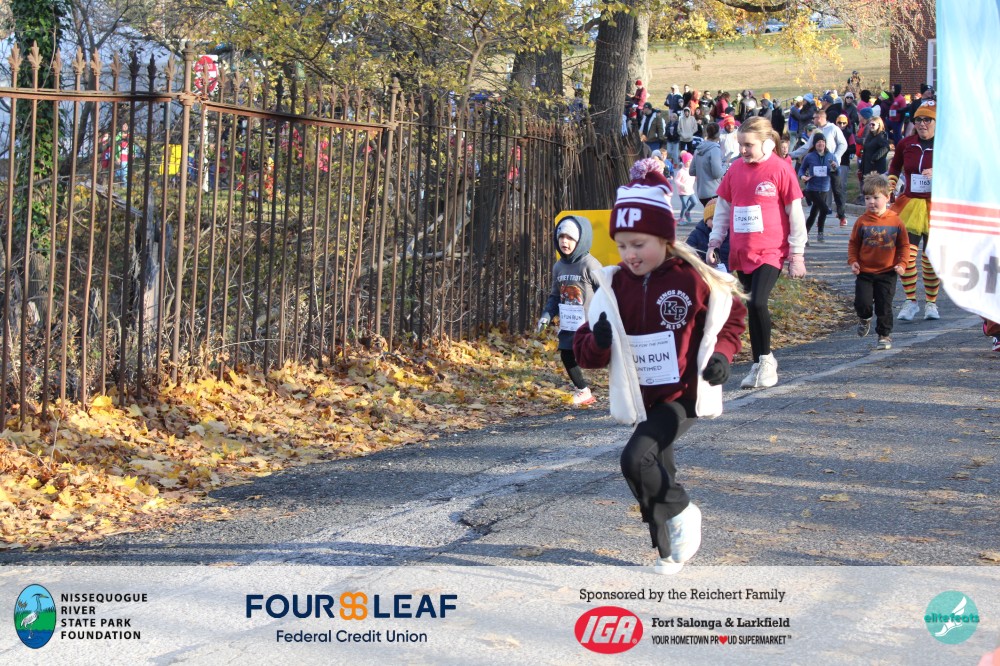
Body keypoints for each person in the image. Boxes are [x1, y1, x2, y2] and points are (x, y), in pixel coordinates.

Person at [573, 158, 747, 574]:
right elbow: (585, 352)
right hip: (643, 398)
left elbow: (732, 315)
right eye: (622, 246)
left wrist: (722, 356)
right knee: (655, 470)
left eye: (639, 244)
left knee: (636, 459)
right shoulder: (613, 286)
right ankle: (669, 550)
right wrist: (598, 342)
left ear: (665, 239)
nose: (630, 255)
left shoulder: (692, 278)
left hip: (683, 394)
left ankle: (683, 511)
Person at [707, 116, 808, 389]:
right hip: (742, 251)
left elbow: (795, 214)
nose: (743, 150)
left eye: (748, 145)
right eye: (740, 144)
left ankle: (766, 362)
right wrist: (715, 242)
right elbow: (723, 209)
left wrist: (797, 254)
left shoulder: (781, 169)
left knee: (758, 302)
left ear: (766, 144)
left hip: (771, 251)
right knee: (752, 306)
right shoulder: (735, 169)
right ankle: (759, 362)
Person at [538, 216, 604, 406]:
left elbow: (606, 291)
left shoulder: (590, 264)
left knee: (601, 354)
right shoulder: (558, 266)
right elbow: (555, 296)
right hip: (569, 322)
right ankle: (583, 390)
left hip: (590, 323)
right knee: (567, 354)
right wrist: (546, 316)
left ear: (580, 240)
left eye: (569, 238)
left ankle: (627, 384)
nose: (564, 242)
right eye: (561, 237)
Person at [889, 100, 940, 322]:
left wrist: (939, 172)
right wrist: (890, 184)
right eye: (918, 119)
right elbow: (895, 167)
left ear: (937, 122)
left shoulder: (947, 145)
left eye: (927, 119)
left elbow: (960, 172)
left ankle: (931, 303)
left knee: (931, 259)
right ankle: (911, 301)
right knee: (906, 256)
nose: (922, 124)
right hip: (910, 205)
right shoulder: (906, 143)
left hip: (936, 206)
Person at [848, 174, 909, 351]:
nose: (871, 202)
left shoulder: (895, 221)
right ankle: (864, 317)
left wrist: (902, 264)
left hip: (887, 272)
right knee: (863, 303)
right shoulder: (862, 222)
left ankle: (884, 335)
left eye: (876, 197)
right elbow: (854, 244)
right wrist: (853, 261)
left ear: (887, 197)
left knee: (884, 305)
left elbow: (904, 245)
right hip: (865, 272)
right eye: (867, 198)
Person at [790, 108, 848, 227]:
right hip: (818, 163)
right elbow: (807, 146)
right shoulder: (816, 131)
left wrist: (836, 157)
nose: (813, 120)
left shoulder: (833, 128)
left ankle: (841, 215)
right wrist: (791, 154)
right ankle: (821, 215)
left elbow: (843, 144)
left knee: (837, 190)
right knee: (819, 191)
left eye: (815, 118)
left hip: (831, 164)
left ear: (821, 118)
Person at [798, 133, 837, 243]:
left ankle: (813, 234)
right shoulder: (809, 156)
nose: (821, 144)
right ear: (814, 144)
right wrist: (802, 176)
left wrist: (835, 167)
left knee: (815, 213)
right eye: (818, 142)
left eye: (823, 142)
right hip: (812, 189)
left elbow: (837, 171)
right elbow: (801, 169)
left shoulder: (831, 156)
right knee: (824, 209)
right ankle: (807, 235)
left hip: (825, 188)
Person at [685, 198, 730, 269]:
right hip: (704, 269)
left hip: (727, 271)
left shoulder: (731, 235)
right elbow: (687, 249)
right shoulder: (697, 233)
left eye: (720, 219)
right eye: (712, 218)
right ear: (705, 220)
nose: (716, 222)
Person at [690, 122, 724, 206]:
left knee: (708, 214)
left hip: (701, 193)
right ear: (718, 134)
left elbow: (692, 171)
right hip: (713, 192)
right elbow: (717, 174)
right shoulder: (715, 149)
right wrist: (725, 165)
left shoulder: (698, 149)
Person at [674, 151, 697, 224]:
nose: (690, 163)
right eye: (688, 161)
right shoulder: (681, 171)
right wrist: (681, 185)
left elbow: (695, 177)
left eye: (691, 161)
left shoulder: (692, 170)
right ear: (684, 162)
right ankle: (681, 218)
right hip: (683, 192)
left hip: (691, 191)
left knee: (694, 202)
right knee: (685, 206)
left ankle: (687, 212)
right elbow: (676, 180)